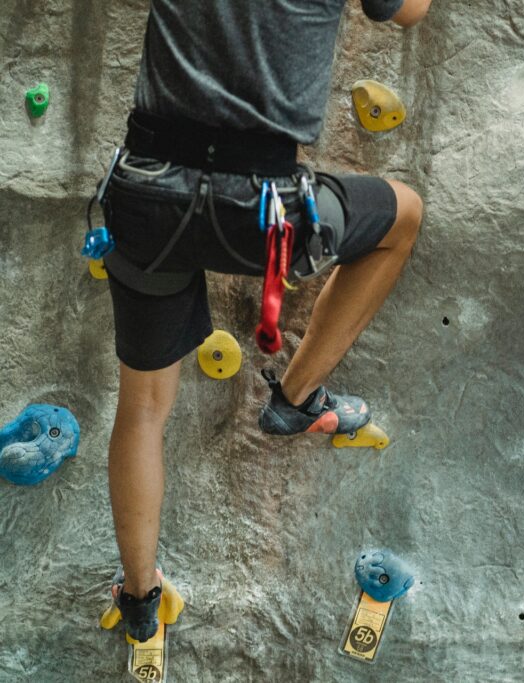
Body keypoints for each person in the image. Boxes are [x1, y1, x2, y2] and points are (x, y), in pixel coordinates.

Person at [99, 0, 432, 641]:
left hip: (149, 194)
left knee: (142, 407)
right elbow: (410, 11)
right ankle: (297, 398)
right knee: (403, 215)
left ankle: (141, 599)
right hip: (261, 212)